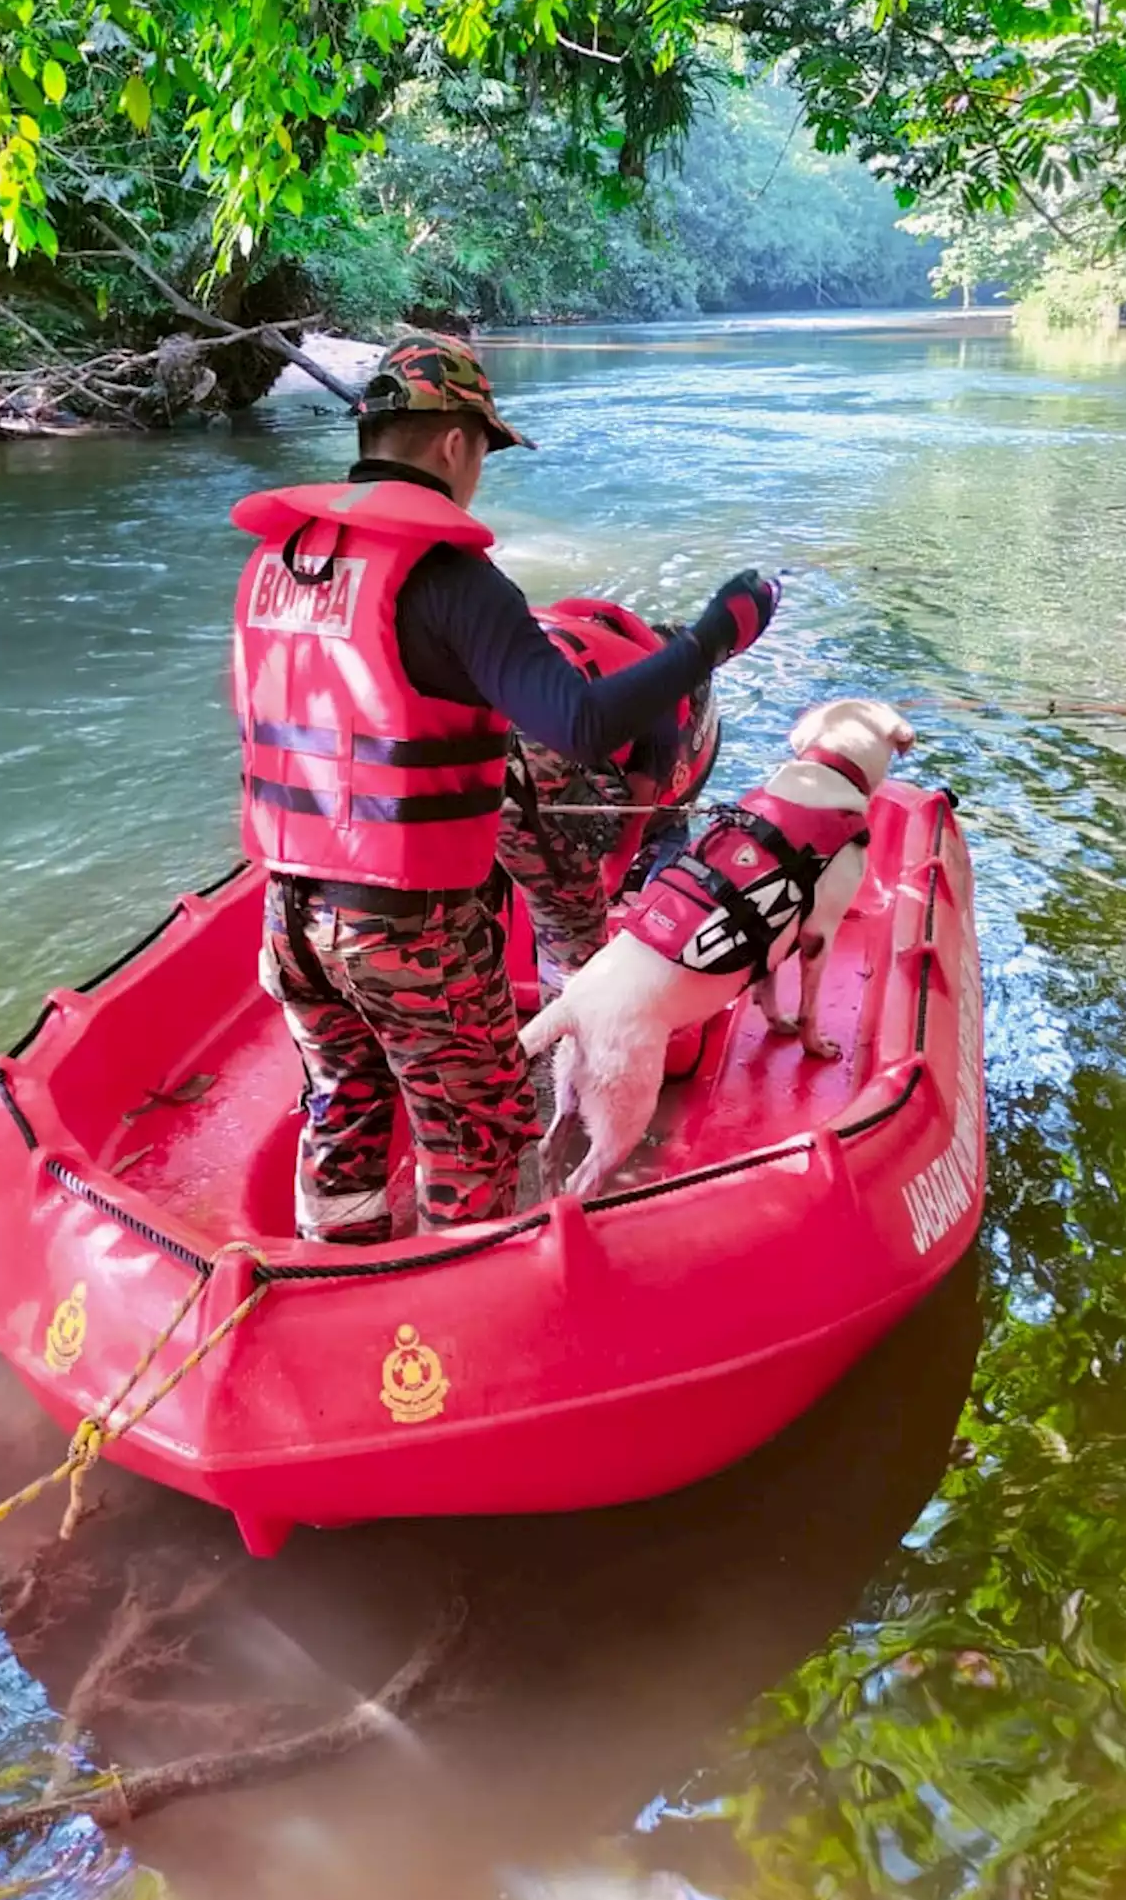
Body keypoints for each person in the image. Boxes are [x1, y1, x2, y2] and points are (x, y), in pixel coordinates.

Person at [231, 332, 780, 1243]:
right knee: (474, 1132)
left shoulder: (281, 558)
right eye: (483, 449)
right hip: (406, 923)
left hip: (287, 912)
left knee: (346, 1103)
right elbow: (579, 722)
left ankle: (336, 1266)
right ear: (456, 443)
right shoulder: (450, 579)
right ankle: (448, 1325)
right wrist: (711, 639)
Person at [498, 597, 721, 1001]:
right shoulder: (655, 697)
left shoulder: (562, 628)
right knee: (572, 936)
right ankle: (567, 1033)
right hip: (525, 761)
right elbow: (637, 814)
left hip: (451, 745)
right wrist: (600, 886)